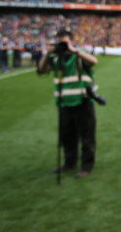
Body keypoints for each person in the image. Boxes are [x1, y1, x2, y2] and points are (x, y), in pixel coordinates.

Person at [37, 28, 98, 179]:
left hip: (82, 101)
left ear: (71, 41)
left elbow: (93, 61)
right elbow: (41, 70)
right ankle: (69, 162)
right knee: (67, 136)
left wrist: (74, 50)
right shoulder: (56, 58)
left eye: (65, 42)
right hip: (64, 103)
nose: (63, 46)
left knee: (87, 136)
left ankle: (86, 166)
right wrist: (48, 53)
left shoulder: (78, 55)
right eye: (60, 43)